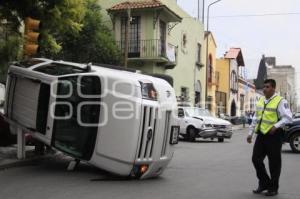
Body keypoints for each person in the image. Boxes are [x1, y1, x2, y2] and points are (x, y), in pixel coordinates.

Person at [247, 79, 292, 196]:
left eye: (267, 87)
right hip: (261, 134)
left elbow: (288, 118)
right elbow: (256, 118)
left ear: (273, 88)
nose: (264, 89)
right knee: (256, 159)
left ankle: (273, 188)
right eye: (264, 87)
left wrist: (276, 126)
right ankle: (264, 182)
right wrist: (250, 133)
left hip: (274, 135)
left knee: (274, 163)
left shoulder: (280, 101)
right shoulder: (261, 100)